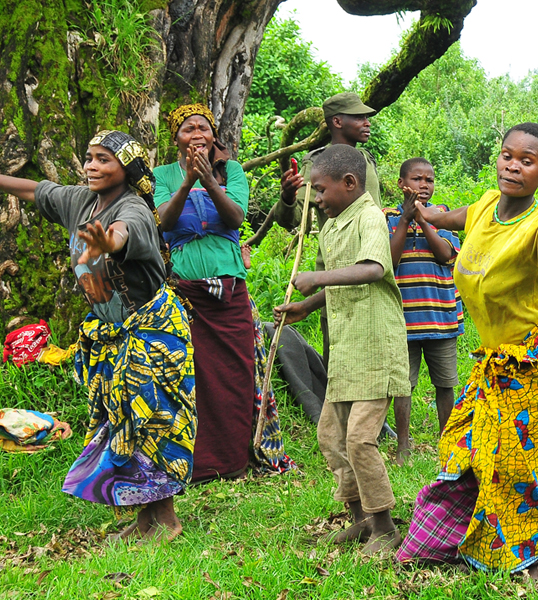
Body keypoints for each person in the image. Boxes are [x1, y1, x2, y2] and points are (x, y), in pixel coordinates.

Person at [395, 123, 538, 581]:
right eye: (507, 156)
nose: (513, 166)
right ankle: (456, 532)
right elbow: (453, 217)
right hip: (496, 360)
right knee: (463, 446)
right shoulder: (487, 207)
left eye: (527, 161)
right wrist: (424, 213)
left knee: (524, 460)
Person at [0, 130, 195, 542]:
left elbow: (123, 232)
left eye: (104, 159)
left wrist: (108, 241)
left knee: (151, 423)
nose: (91, 166)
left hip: (152, 332)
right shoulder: (82, 201)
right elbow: (37, 189)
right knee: (121, 422)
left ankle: (168, 521)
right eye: (89, 158)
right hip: (111, 333)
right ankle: (145, 518)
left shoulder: (134, 210)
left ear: (126, 168)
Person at [274, 145, 411, 555]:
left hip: (375, 344)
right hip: (347, 346)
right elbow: (339, 282)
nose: (315, 198)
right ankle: (361, 518)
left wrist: (316, 278)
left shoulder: (369, 216)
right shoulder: (332, 223)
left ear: (350, 184)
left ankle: (386, 527)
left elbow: (374, 268)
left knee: (359, 440)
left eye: (320, 189)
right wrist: (306, 304)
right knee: (332, 436)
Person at [153, 103, 292, 481]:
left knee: (236, 372)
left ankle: (234, 461)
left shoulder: (230, 171)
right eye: (187, 129)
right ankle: (199, 462)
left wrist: (209, 181)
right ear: (176, 138)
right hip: (187, 292)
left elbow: (235, 218)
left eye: (203, 127)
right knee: (197, 375)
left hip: (230, 290)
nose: (196, 133)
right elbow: (164, 223)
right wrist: (186, 182)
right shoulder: (161, 175)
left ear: (213, 135)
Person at [272, 92, 382, 369]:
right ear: (337, 121)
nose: (367, 122)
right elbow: (294, 218)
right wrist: (286, 197)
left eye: (366, 116)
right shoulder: (317, 164)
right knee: (340, 363)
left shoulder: (365, 159)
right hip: (337, 270)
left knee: (374, 360)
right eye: (359, 117)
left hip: (376, 264)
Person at [384, 158, 463, 452]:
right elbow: (389, 261)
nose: (424, 185)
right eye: (417, 179)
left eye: (429, 180)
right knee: (404, 385)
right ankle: (403, 445)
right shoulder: (387, 217)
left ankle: (447, 442)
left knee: (445, 384)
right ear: (402, 184)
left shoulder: (443, 215)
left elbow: (445, 254)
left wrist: (423, 220)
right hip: (403, 319)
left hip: (440, 316)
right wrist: (405, 219)